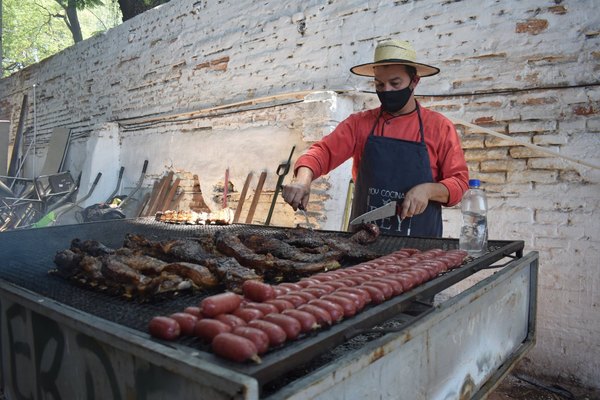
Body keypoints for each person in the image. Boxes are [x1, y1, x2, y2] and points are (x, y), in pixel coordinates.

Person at [282, 39, 469, 237]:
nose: (386, 90)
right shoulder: (360, 123)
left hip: (419, 248)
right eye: (379, 84)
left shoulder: (439, 127)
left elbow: (459, 183)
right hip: (363, 241)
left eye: (395, 83)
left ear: (414, 81)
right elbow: (322, 152)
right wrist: (302, 180)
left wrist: (429, 190)